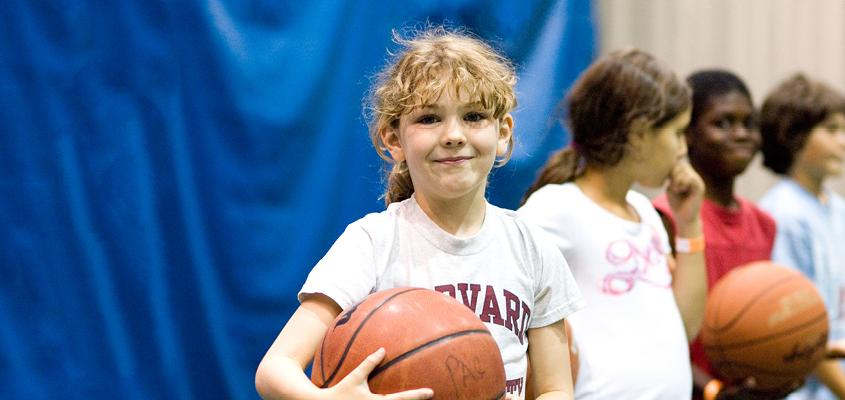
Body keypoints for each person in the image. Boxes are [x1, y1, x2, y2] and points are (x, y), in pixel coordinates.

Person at [254, 26, 585, 400]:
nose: (453, 135)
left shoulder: (531, 246)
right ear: (393, 140)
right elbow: (274, 369)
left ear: (504, 132)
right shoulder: (373, 242)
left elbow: (555, 389)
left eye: (474, 116)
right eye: (429, 119)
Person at [518, 48, 708, 399]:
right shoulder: (556, 207)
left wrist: (690, 225)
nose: (683, 149)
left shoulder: (643, 210)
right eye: (678, 133)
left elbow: (685, 327)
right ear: (638, 134)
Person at [651, 70, 778, 399]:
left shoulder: (764, 223)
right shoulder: (663, 217)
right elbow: (653, 326)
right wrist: (711, 389)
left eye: (748, 123)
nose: (740, 134)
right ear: (688, 134)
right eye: (722, 123)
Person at [757, 73, 845, 400]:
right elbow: (795, 325)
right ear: (793, 135)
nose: (843, 141)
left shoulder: (837, 209)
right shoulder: (783, 213)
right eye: (832, 130)